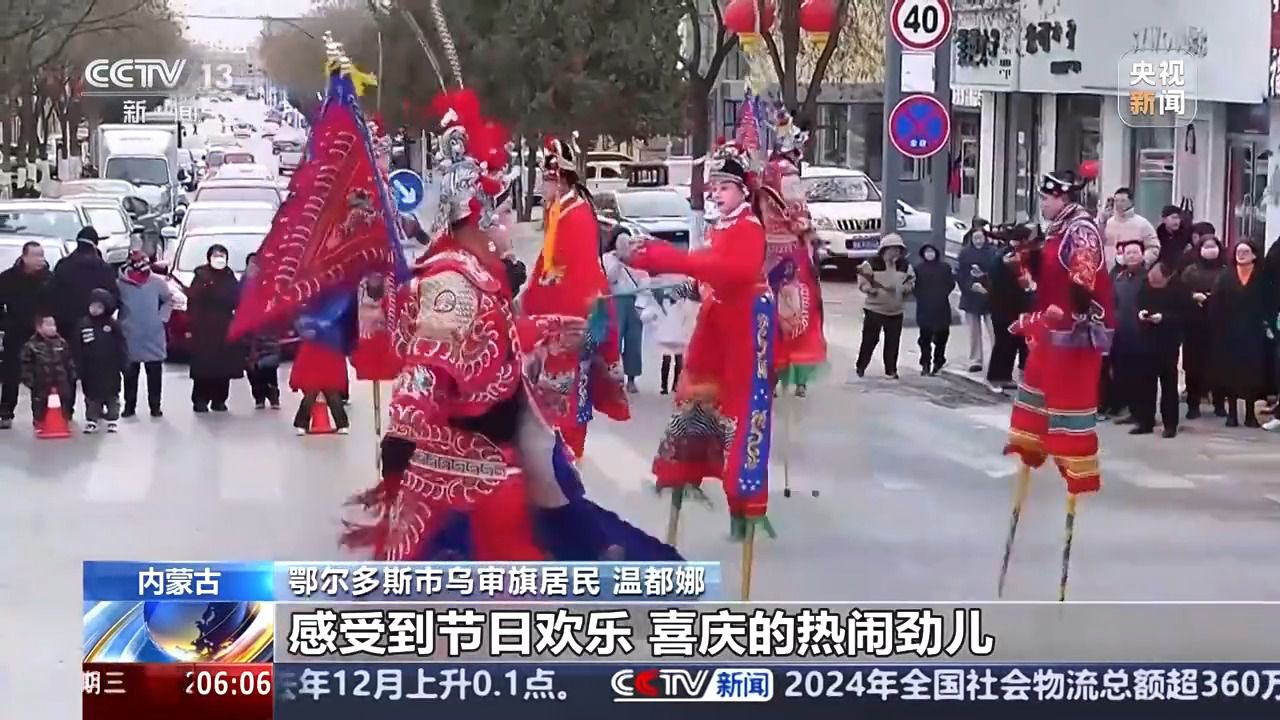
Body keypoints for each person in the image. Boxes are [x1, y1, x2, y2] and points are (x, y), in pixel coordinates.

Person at [341, 88, 677, 562]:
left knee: (565, 525)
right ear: (477, 221)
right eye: (500, 215)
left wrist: (550, 328)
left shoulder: (477, 274)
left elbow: (494, 339)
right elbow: (428, 366)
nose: (508, 224)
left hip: (495, 454)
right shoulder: (453, 282)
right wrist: (403, 434)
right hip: (465, 473)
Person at [620, 138, 775, 538]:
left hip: (745, 324)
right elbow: (708, 270)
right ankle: (687, 467)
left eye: (725, 187)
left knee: (739, 407)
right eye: (714, 188)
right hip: (718, 317)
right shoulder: (721, 227)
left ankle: (742, 504)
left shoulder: (749, 228)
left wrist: (669, 259)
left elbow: (731, 271)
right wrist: (677, 277)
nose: (716, 194)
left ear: (743, 191)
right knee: (696, 399)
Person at [1005, 171, 1114, 497]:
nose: (1041, 205)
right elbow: (1049, 276)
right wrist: (1027, 258)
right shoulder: (1059, 229)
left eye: (1045, 199)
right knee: (1037, 392)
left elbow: (1083, 278)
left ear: (1062, 198)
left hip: (1073, 332)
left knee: (1068, 401)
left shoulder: (1081, 230)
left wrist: (1075, 311)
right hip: (1053, 326)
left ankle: (1076, 467)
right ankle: (1031, 447)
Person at [521, 134, 629, 460]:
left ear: (562, 180)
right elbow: (547, 262)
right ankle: (560, 452)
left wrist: (548, 303)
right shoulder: (558, 211)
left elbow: (577, 270)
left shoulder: (577, 214)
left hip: (579, 313)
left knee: (573, 389)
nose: (542, 186)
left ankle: (572, 455)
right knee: (555, 392)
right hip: (559, 312)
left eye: (547, 179)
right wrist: (530, 294)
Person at [757, 115, 826, 397]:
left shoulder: (764, 172)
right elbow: (798, 214)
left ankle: (768, 373)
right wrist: (810, 234)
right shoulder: (788, 173)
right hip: (791, 253)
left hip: (766, 250)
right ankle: (799, 379)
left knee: (768, 313)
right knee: (801, 313)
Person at [48, 227, 117, 415]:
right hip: (96, 326)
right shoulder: (103, 268)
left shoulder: (63, 266)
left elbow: (51, 294)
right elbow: (113, 297)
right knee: (94, 367)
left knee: (68, 368)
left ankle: (66, 408)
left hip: (66, 325)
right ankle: (96, 406)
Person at [1209, 239, 1269, 428]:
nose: (1241, 255)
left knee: (1252, 374)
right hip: (1229, 331)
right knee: (1231, 374)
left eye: (1245, 251)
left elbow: (1267, 302)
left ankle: (1250, 415)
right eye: (1238, 252)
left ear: (1254, 255)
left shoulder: (1262, 276)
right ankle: (1232, 414)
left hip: (1253, 331)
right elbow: (1216, 304)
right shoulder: (1225, 276)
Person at [0, 240, 52, 428]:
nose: (40, 260)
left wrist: (47, 324)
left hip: (40, 334)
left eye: (42, 255)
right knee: (11, 375)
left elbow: (56, 304)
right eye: (36, 256)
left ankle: (40, 415)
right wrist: (6, 323)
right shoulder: (8, 278)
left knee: (41, 376)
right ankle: (6, 413)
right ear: (24, 257)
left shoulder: (49, 279)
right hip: (15, 332)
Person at [187, 243, 244, 413]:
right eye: (216, 255)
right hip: (204, 328)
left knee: (223, 367)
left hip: (224, 326)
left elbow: (237, 298)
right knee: (204, 367)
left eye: (222, 256)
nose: (219, 259)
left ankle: (219, 400)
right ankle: (200, 400)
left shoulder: (229, 276)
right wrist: (195, 323)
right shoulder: (201, 276)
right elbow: (193, 301)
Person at [116, 250, 172, 418]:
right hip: (130, 334)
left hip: (153, 334)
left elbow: (168, 300)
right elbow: (114, 303)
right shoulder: (121, 284)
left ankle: (155, 406)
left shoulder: (157, 282)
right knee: (130, 374)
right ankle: (129, 406)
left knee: (154, 373)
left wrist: (161, 318)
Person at [1132, 260, 1183, 437]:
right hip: (1146, 340)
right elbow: (1138, 304)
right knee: (1146, 383)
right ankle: (1145, 421)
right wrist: (1141, 313)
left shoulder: (1178, 290)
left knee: (1168, 384)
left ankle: (1170, 424)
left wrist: (1164, 318)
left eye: (1156, 276)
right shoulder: (1145, 287)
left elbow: (1185, 315)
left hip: (1168, 342)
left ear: (1166, 277)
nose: (1152, 278)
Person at [855, 233, 915, 379]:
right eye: (892, 249)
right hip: (874, 309)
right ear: (884, 249)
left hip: (896, 310)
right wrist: (869, 289)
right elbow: (863, 279)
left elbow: (911, 281)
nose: (895, 253)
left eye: (898, 250)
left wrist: (906, 289)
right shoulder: (871, 263)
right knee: (870, 340)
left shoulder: (904, 265)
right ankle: (861, 366)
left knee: (893, 342)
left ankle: (891, 370)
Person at [1180, 234, 1227, 419]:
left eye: (1213, 246)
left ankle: (1219, 404)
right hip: (1194, 325)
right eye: (1206, 247)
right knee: (1193, 367)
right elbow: (1179, 292)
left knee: (1219, 365)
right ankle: (1193, 404)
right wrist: (1193, 296)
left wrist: (1213, 299)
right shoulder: (1190, 271)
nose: (1210, 250)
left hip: (1218, 325)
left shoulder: (1225, 271)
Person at [1102, 240, 1148, 422]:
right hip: (1121, 332)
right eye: (1128, 253)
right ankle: (1127, 408)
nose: (1131, 256)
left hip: (1142, 332)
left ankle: (1142, 412)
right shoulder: (1119, 278)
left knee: (1141, 375)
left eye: (1135, 252)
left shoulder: (1149, 278)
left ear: (1143, 255)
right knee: (1122, 371)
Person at [985, 224, 1032, 390]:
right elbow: (999, 280)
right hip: (1004, 305)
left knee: (1010, 342)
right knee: (1004, 342)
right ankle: (997, 376)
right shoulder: (1008, 256)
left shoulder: (1011, 253)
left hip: (1012, 305)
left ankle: (1003, 376)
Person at [75, 288, 127, 433]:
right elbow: (78, 345)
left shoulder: (113, 325)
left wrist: (124, 363)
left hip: (110, 367)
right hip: (90, 368)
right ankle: (92, 419)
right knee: (92, 396)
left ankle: (112, 419)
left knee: (112, 395)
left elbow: (121, 344)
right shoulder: (84, 324)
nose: (95, 309)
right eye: (92, 306)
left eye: (99, 306)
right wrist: (78, 366)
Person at [602, 227, 646, 394]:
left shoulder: (635, 259)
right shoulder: (608, 258)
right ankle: (612, 378)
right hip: (615, 300)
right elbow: (610, 278)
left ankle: (632, 378)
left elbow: (643, 279)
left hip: (633, 301)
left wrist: (642, 305)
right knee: (615, 341)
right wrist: (619, 261)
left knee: (633, 342)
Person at [640, 278, 699, 395]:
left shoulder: (680, 304)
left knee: (675, 360)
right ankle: (667, 386)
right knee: (670, 360)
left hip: (674, 337)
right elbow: (647, 315)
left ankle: (672, 385)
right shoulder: (667, 303)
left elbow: (690, 316)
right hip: (670, 337)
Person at [241, 253, 282, 409]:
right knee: (253, 368)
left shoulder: (271, 282)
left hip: (268, 329)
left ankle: (273, 397)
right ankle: (259, 397)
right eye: (251, 264)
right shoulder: (243, 283)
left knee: (269, 367)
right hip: (249, 331)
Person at [19, 313, 75, 427]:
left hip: (61, 380)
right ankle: (39, 422)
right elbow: (25, 365)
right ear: (39, 328)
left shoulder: (62, 343)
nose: (53, 328)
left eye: (54, 325)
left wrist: (72, 375)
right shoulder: (31, 346)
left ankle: (64, 420)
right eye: (48, 325)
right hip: (41, 382)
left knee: (65, 400)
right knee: (40, 403)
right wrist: (30, 381)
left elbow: (69, 361)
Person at [957, 223, 998, 372]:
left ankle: (997, 359)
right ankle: (975, 360)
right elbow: (960, 275)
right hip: (971, 297)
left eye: (980, 238)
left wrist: (985, 279)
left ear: (985, 238)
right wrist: (970, 285)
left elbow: (998, 273)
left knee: (994, 330)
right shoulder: (964, 253)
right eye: (975, 238)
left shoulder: (993, 252)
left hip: (990, 296)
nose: (978, 241)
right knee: (974, 332)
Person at [290, 339, 351, 434]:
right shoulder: (312, 344)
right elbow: (301, 363)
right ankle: (302, 424)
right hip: (315, 380)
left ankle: (342, 424)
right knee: (310, 398)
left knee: (333, 399)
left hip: (326, 380)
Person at [913, 241, 955, 375]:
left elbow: (951, 283)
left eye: (931, 252)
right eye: (927, 252)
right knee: (925, 338)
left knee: (942, 337)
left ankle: (939, 361)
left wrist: (942, 294)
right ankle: (925, 363)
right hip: (925, 308)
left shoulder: (945, 267)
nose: (929, 254)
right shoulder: (918, 269)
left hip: (941, 307)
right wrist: (921, 296)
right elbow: (914, 286)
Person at [1098, 187, 1157, 267]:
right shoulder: (1108, 223)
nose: (1119, 204)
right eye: (1116, 201)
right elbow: (1098, 243)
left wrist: (1141, 261)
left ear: (1131, 202)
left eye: (1123, 201)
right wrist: (1102, 221)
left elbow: (1153, 248)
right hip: (1110, 269)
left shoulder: (1143, 224)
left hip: (1134, 270)